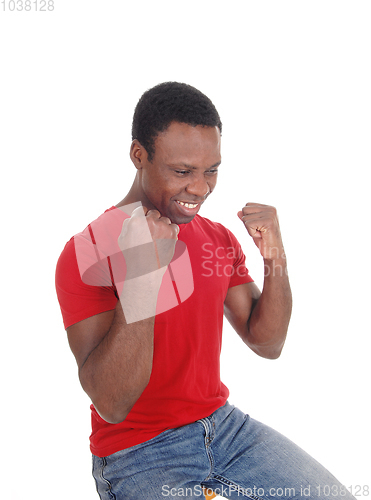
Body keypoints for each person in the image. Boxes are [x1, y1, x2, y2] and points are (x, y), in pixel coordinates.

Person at [55, 82, 354, 500]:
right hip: (139, 452)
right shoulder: (86, 252)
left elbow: (268, 343)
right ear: (139, 155)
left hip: (225, 429)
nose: (200, 188)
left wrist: (274, 255)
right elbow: (112, 403)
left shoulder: (215, 238)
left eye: (211, 170)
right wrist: (143, 277)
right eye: (183, 171)